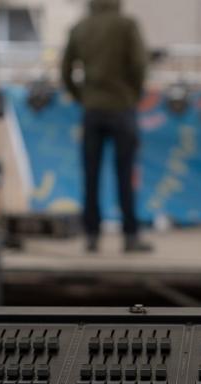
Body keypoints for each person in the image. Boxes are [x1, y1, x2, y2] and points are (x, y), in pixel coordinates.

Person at [60, 0, 152, 253]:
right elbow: (139, 65)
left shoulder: (80, 27)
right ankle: (130, 236)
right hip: (122, 108)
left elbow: (66, 71)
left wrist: (83, 97)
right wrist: (132, 95)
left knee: (90, 176)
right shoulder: (126, 25)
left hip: (92, 109)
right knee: (125, 175)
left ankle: (91, 235)